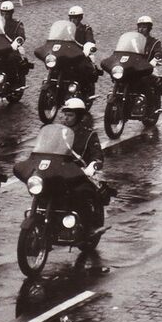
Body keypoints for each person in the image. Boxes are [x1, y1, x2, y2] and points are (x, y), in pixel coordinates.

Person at [60, 97, 106, 236]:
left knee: (80, 194)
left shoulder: (88, 135)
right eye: (65, 114)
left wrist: (93, 165)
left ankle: (89, 227)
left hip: (79, 175)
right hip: (59, 172)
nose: (66, 118)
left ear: (79, 116)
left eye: (70, 115)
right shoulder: (58, 133)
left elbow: (97, 154)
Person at [132, 15, 162, 114]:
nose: (141, 29)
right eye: (140, 26)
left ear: (149, 28)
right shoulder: (133, 41)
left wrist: (156, 58)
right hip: (133, 67)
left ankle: (150, 107)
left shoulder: (154, 42)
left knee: (146, 81)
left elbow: (158, 52)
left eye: (144, 27)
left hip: (148, 68)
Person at [0, 0, 32, 89]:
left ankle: (12, 82)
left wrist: (15, 43)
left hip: (11, 49)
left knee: (11, 58)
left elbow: (21, 36)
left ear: (11, 13)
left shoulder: (17, 24)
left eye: (7, 13)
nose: (4, 15)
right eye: (3, 13)